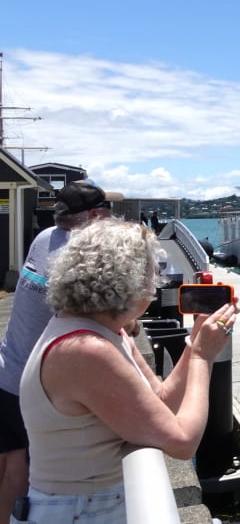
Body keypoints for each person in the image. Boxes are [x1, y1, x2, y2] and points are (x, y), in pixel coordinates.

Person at [16, 219, 238, 523]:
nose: (157, 283)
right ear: (128, 281)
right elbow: (182, 441)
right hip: (78, 511)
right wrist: (201, 355)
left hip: (90, 505)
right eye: (152, 271)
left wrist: (195, 343)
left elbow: (160, 401)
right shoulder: (86, 350)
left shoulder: (104, 332)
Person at [0, 179, 114, 523]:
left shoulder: (43, 239)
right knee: (22, 472)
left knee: (6, 462)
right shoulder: (80, 258)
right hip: (29, 383)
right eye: (107, 215)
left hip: (5, 366)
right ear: (94, 215)